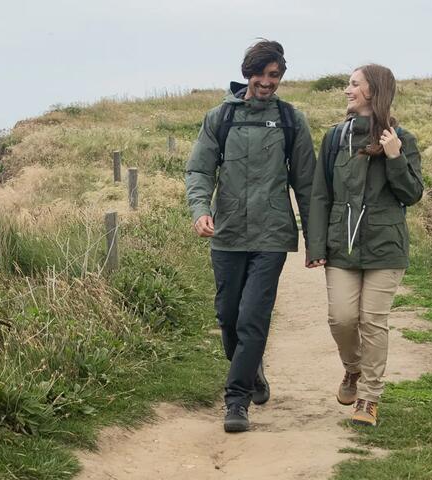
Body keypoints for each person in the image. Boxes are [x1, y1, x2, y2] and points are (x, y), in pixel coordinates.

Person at [184, 39, 317, 433]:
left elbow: (307, 184)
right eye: (260, 74)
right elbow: (199, 171)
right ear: (248, 74)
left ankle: (237, 401)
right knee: (228, 316)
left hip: (272, 235)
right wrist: (200, 210)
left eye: (274, 75)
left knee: (253, 319)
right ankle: (252, 370)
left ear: (280, 77)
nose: (266, 82)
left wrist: (315, 240)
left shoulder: (292, 120)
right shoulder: (220, 118)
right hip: (226, 234)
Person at [304, 64, 423, 427]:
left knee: (373, 322)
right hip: (342, 244)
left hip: (385, 247)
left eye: (354, 84)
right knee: (340, 318)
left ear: (373, 91)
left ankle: (369, 398)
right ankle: (352, 371)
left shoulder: (402, 138)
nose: (347, 90)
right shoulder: (334, 138)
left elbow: (411, 194)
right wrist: (316, 245)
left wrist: (394, 157)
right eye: (348, 84)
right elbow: (320, 195)